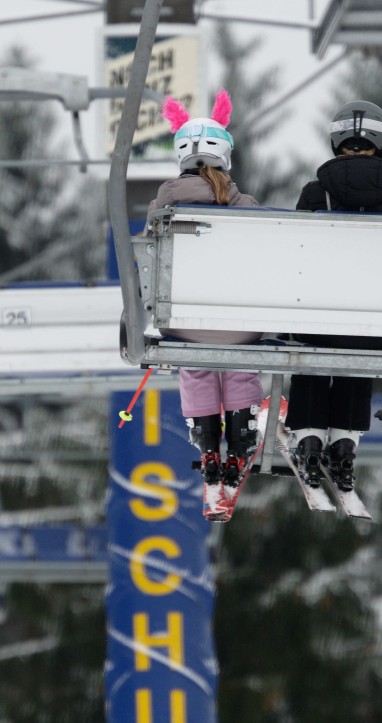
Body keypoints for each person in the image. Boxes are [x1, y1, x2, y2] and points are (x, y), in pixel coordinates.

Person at [284, 100, 382, 491]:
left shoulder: (317, 194)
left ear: (336, 142)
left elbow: (295, 256)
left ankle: (309, 437)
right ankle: (345, 445)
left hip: (319, 322)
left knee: (318, 334)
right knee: (365, 333)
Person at [148, 90, 264, 489]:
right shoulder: (244, 204)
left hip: (183, 322)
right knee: (238, 361)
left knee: (196, 364)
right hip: (240, 326)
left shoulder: (165, 204)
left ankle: (208, 445)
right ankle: (241, 440)